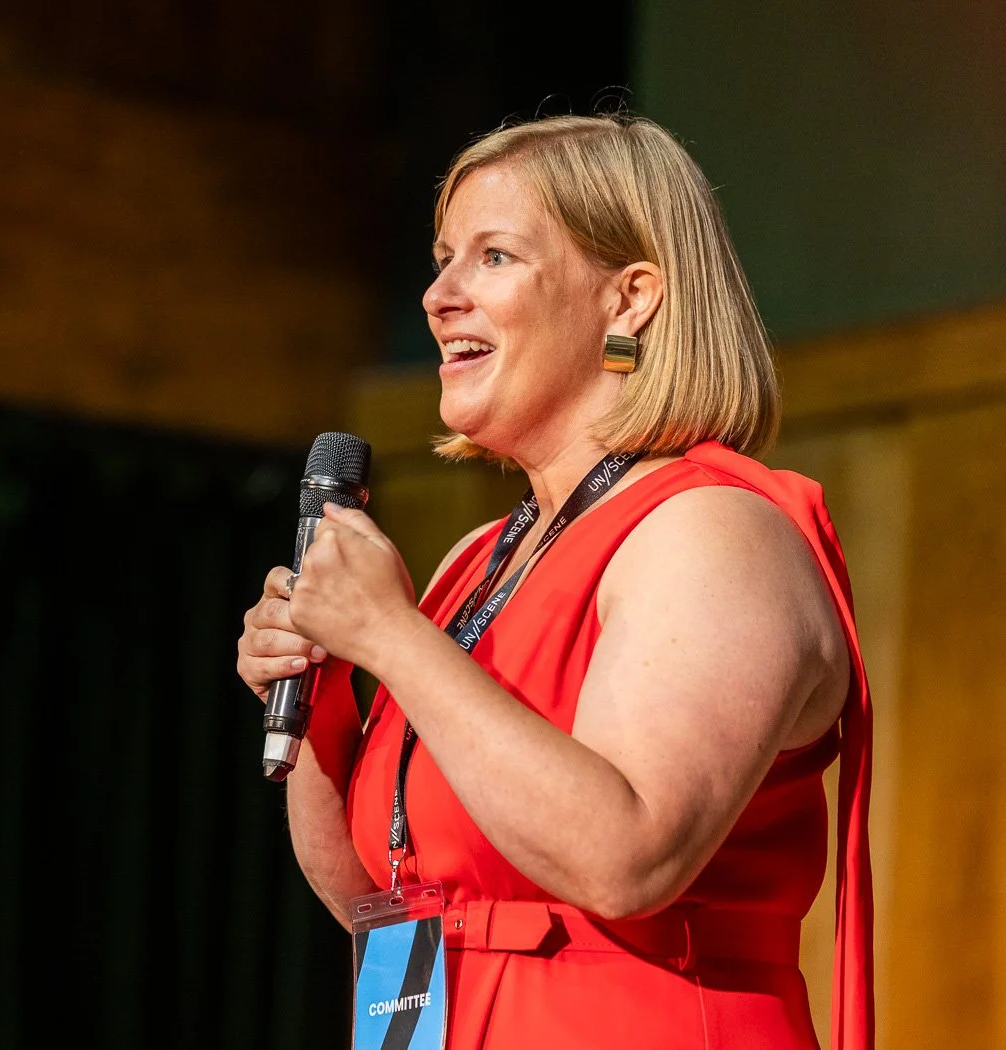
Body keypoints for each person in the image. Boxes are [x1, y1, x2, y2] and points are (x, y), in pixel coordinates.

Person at [237, 113, 872, 1049]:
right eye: (443, 258)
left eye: (493, 257)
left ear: (629, 300)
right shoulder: (475, 562)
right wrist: (326, 676)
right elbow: (377, 897)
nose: (437, 295)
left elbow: (627, 856)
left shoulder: (711, 531)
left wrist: (393, 637)